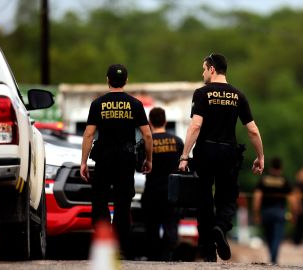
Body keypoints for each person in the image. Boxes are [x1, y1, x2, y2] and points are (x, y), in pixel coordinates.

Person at [178, 53, 264, 262]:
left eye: (204, 69)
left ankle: (208, 252)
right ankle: (220, 226)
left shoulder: (201, 93)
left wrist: (184, 155)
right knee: (227, 198)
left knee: (204, 200)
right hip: (228, 152)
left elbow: (196, 125)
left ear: (212, 69)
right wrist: (260, 156)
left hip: (205, 151)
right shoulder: (238, 95)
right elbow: (252, 130)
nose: (202, 73)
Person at [80, 64, 153, 257]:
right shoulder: (135, 104)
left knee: (100, 199)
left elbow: (89, 134)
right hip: (126, 159)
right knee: (123, 203)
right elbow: (147, 135)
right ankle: (118, 245)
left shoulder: (98, 104)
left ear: (107, 80)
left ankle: (105, 239)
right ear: (126, 81)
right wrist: (149, 160)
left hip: (104, 159)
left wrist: (83, 162)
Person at [141, 107, 184, 261]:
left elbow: (140, 166)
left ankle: (153, 257)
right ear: (165, 121)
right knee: (171, 224)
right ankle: (168, 255)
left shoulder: (146, 142)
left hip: (151, 191)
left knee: (151, 226)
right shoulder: (178, 142)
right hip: (172, 192)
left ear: (150, 122)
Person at [252, 157, 295, 264]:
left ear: (270, 167)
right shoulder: (284, 181)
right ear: (281, 168)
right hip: (279, 212)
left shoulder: (264, 180)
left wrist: (256, 213)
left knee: (268, 236)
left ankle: (272, 256)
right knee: (277, 236)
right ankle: (274, 258)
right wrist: (294, 213)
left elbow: (257, 197)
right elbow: (292, 199)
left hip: (266, 212)